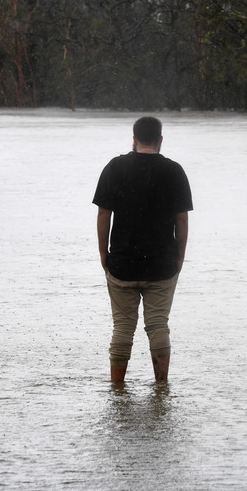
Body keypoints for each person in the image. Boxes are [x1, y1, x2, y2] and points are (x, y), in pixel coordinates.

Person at [93, 116, 193, 382]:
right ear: (160, 140)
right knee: (158, 325)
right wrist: (180, 256)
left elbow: (104, 214)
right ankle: (161, 387)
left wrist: (103, 253)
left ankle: (117, 388)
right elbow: (181, 219)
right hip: (162, 265)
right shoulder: (174, 171)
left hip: (122, 263)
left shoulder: (115, 167)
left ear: (134, 139)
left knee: (123, 327)